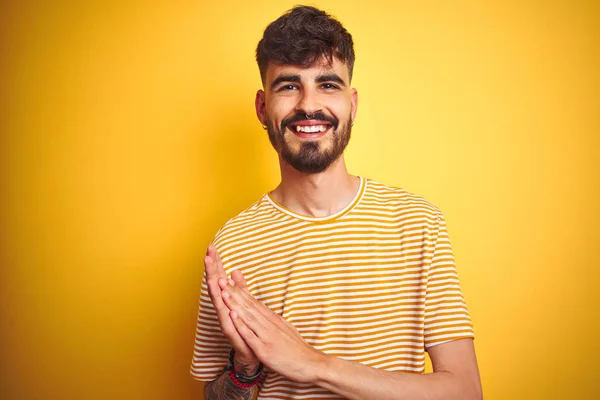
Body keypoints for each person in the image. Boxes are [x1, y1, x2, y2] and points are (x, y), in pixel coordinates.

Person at [191, 5, 482, 400]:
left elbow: (465, 392)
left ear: (352, 104)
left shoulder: (418, 222)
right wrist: (245, 369)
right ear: (263, 108)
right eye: (288, 85)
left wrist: (313, 365)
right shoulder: (231, 247)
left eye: (327, 84)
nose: (309, 105)